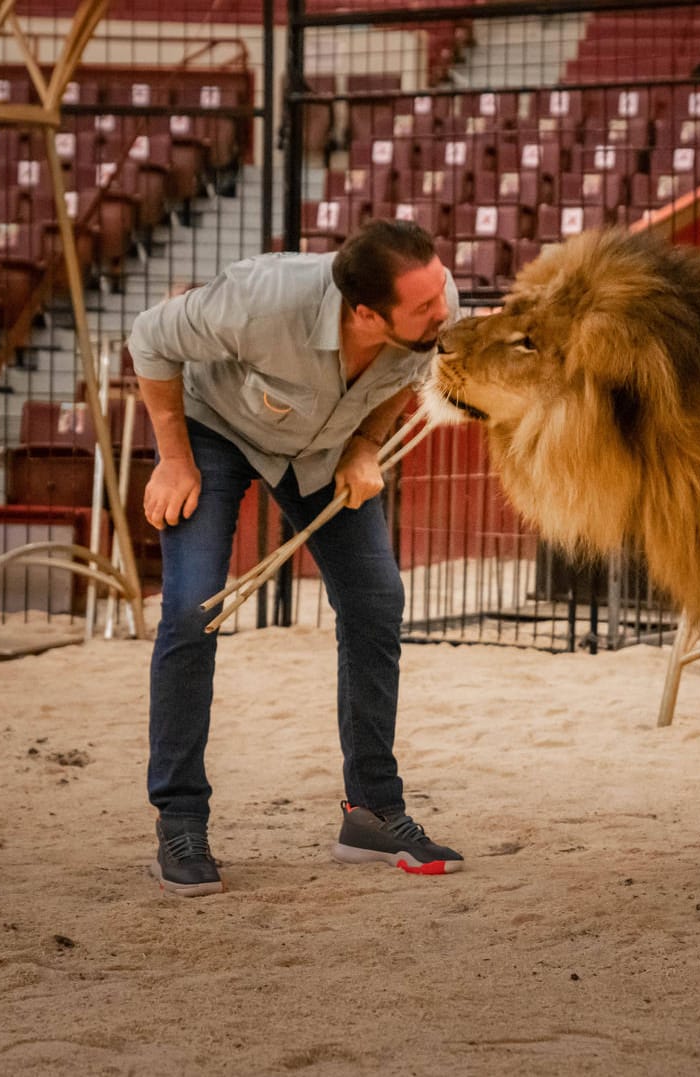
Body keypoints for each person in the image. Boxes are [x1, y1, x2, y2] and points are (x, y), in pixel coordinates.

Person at [127, 219, 464, 897]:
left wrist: (368, 444)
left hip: (325, 447)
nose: (445, 312)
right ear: (365, 313)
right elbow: (150, 338)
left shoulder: (430, 307)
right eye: (425, 307)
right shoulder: (262, 300)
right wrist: (172, 458)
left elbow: (408, 376)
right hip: (215, 432)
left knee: (377, 602)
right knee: (195, 610)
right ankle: (181, 819)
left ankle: (371, 811)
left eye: (439, 295)